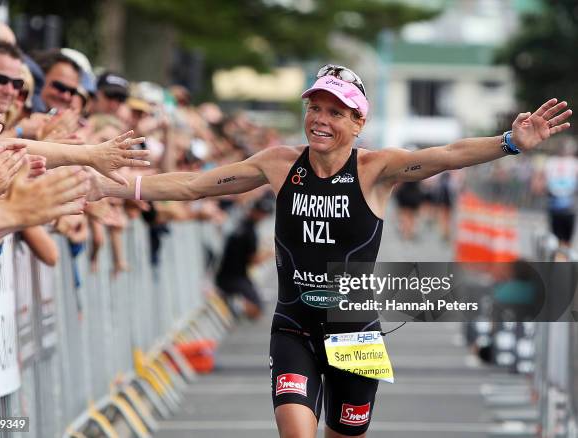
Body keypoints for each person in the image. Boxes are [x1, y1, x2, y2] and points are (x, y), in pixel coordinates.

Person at [88, 64, 572, 437]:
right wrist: (112, 188)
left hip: (355, 333)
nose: (319, 121)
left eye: (335, 112)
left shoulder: (377, 169)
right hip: (294, 326)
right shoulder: (279, 163)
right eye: (314, 108)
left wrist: (510, 141)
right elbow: (195, 185)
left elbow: (446, 156)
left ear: (358, 122)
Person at [216, 196, 274, 320]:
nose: (263, 217)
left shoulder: (242, 225)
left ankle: (233, 301)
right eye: (263, 213)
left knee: (257, 304)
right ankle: (233, 304)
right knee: (257, 310)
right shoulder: (249, 232)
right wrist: (272, 253)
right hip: (233, 278)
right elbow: (254, 261)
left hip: (230, 275)